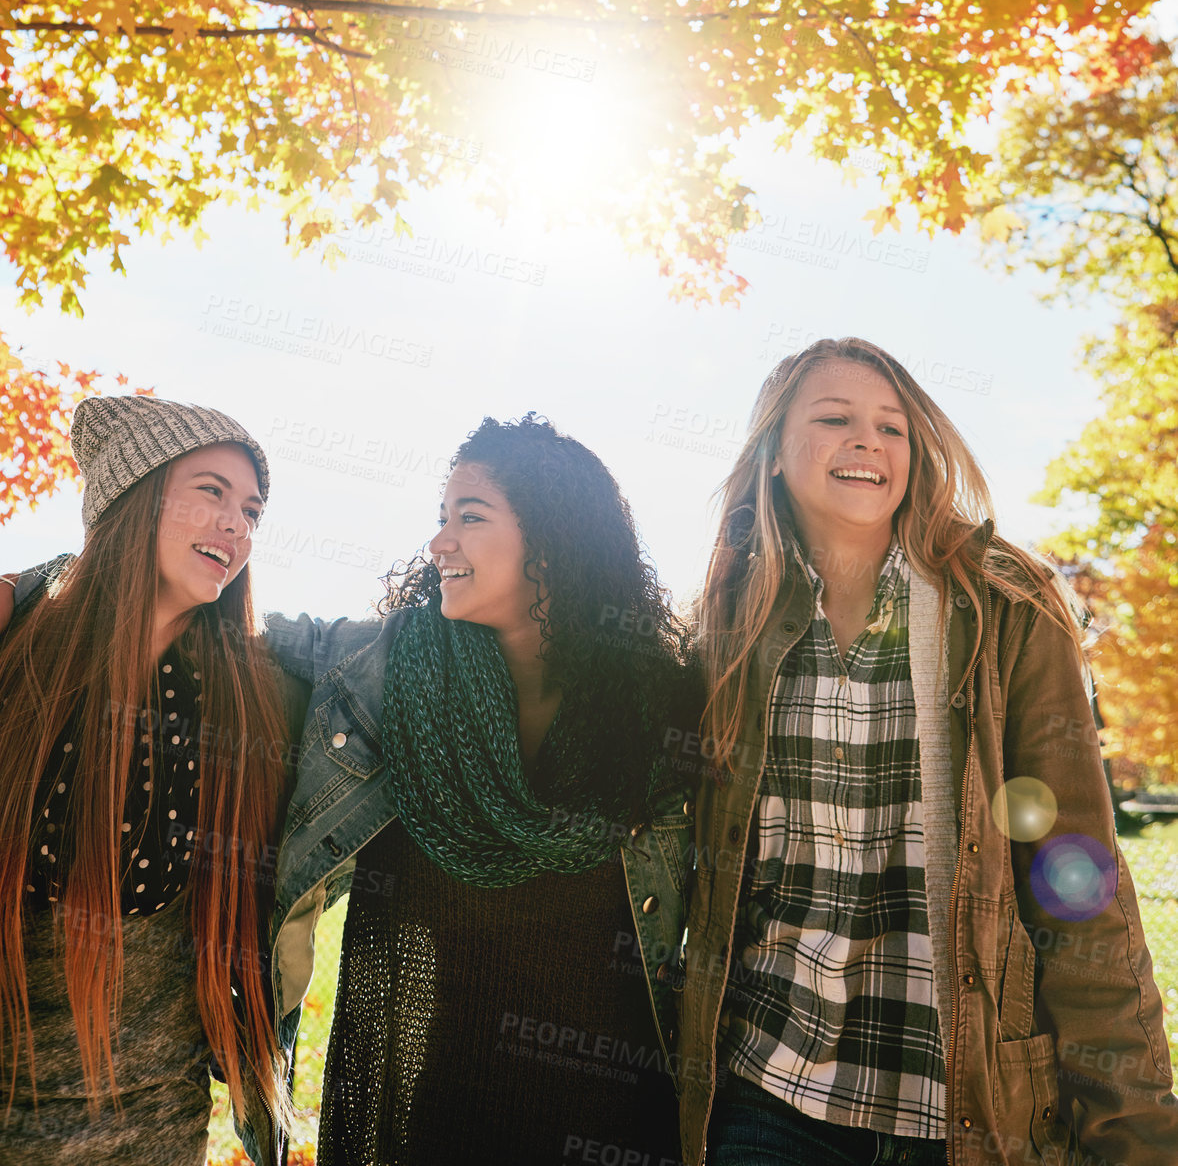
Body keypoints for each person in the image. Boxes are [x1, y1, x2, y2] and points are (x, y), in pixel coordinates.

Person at [678, 337, 1178, 1166]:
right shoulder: (727, 627)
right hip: (768, 1086)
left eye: (893, 427)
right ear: (770, 454)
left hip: (960, 1107)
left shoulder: (1006, 611)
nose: (869, 440)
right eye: (835, 418)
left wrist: (1138, 1134)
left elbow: (1076, 876)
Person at [263, 412, 698, 1166]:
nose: (439, 543)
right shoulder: (385, 674)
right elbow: (222, 625)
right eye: (441, 518)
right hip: (428, 1118)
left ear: (555, 539)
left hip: (615, 1123)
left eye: (470, 517)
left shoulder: (659, 706)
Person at [0, 395, 302, 1166]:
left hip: (152, 1125)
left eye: (253, 511)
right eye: (212, 491)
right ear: (134, 499)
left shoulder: (250, 698)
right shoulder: (18, 642)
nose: (238, 526)